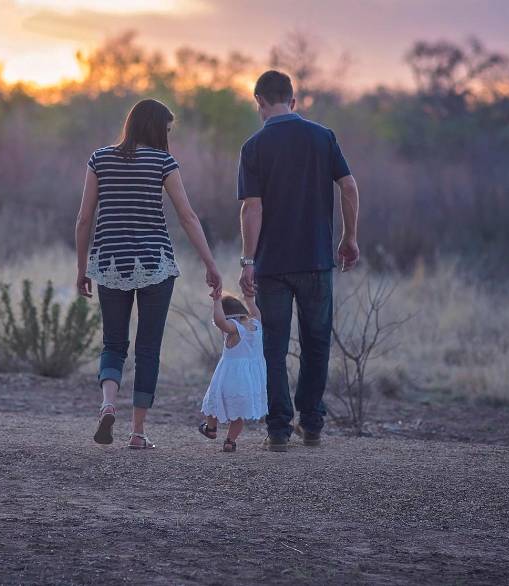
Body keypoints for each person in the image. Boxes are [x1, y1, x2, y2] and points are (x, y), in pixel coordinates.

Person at [75, 98, 222, 450]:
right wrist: (210, 264)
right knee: (148, 349)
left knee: (113, 343)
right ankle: (137, 433)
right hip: (155, 263)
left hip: (109, 262)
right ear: (156, 128)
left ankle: (108, 403)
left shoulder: (100, 159)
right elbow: (187, 217)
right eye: (167, 130)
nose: (168, 137)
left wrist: (82, 269)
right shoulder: (163, 162)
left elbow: (83, 219)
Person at [236, 70, 361, 452]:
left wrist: (247, 260)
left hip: (272, 265)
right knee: (316, 342)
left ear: (259, 101)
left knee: (273, 346)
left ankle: (278, 429)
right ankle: (312, 423)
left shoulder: (254, 146)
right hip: (316, 260)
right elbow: (349, 186)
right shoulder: (322, 137)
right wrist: (349, 237)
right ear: (293, 100)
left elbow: (251, 209)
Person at [198, 292, 268, 453]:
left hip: (230, 377)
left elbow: (220, 321)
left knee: (213, 402)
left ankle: (211, 428)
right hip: (250, 380)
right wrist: (249, 299)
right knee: (238, 414)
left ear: (229, 316)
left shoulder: (235, 329)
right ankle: (230, 441)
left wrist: (216, 301)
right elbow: (256, 311)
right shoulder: (256, 324)